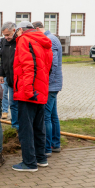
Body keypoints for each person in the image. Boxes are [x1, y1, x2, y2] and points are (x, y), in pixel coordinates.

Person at [11, 21, 53, 172]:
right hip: (41, 91)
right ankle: (41, 158)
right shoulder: (43, 41)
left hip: (28, 92)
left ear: (21, 30)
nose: (16, 35)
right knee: (38, 126)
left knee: (26, 129)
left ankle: (29, 163)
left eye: (16, 32)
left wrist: (28, 91)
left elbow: (28, 66)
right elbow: (48, 67)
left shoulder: (24, 40)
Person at [32, 21, 63, 157]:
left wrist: (46, 82)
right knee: (53, 115)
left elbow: (53, 64)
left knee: (46, 116)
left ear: (38, 29)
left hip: (51, 84)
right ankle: (55, 144)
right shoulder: (52, 38)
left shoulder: (50, 40)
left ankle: (47, 147)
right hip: (53, 83)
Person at [0, 22, 19, 130]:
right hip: (9, 79)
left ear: (14, 31)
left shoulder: (19, 42)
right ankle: (15, 126)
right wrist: (1, 74)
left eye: (8, 35)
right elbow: (3, 60)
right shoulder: (4, 43)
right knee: (12, 104)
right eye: (4, 35)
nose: (6, 37)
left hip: (19, 80)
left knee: (18, 104)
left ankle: (20, 124)